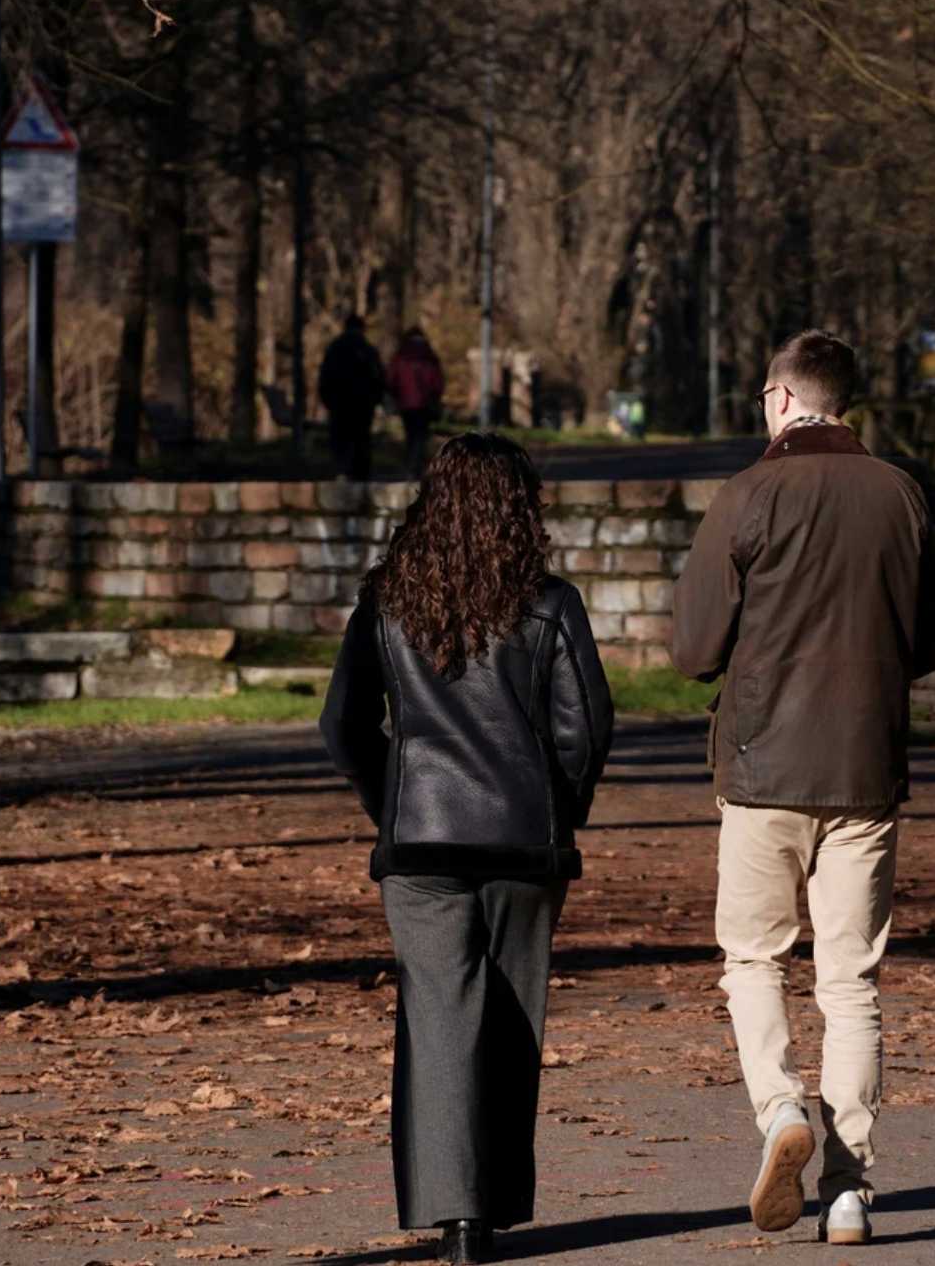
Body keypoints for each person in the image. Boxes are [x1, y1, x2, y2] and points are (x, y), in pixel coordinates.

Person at [669, 329, 935, 1247]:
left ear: (783, 400)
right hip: (866, 768)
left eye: (764, 397)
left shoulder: (750, 494)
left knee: (754, 960)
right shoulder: (901, 494)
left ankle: (781, 1111)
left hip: (760, 770)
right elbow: (931, 642)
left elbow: (694, 650)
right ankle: (848, 1189)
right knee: (852, 982)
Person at [321, 432, 614, 1266]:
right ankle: (491, 1203)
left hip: (421, 846)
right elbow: (585, 727)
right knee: (514, 1021)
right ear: (520, 510)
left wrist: (395, 802)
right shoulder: (550, 603)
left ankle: (458, 1223)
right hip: (525, 845)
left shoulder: (386, 600)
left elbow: (342, 725)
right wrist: (559, 812)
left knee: (440, 1024)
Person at [318, 314, 385, 480]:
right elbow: (378, 378)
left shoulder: (335, 348)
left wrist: (328, 399)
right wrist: (375, 399)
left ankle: (341, 471)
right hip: (362, 403)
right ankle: (360, 475)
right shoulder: (367, 350)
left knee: (341, 439)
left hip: (339, 402)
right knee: (361, 439)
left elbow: (325, 377)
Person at [387, 327, 447, 477]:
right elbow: (437, 381)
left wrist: (395, 396)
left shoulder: (401, 354)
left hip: (405, 402)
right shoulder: (429, 354)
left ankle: (411, 465)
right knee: (421, 435)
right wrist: (435, 396)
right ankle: (417, 465)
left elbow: (391, 379)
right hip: (424, 403)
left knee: (410, 434)